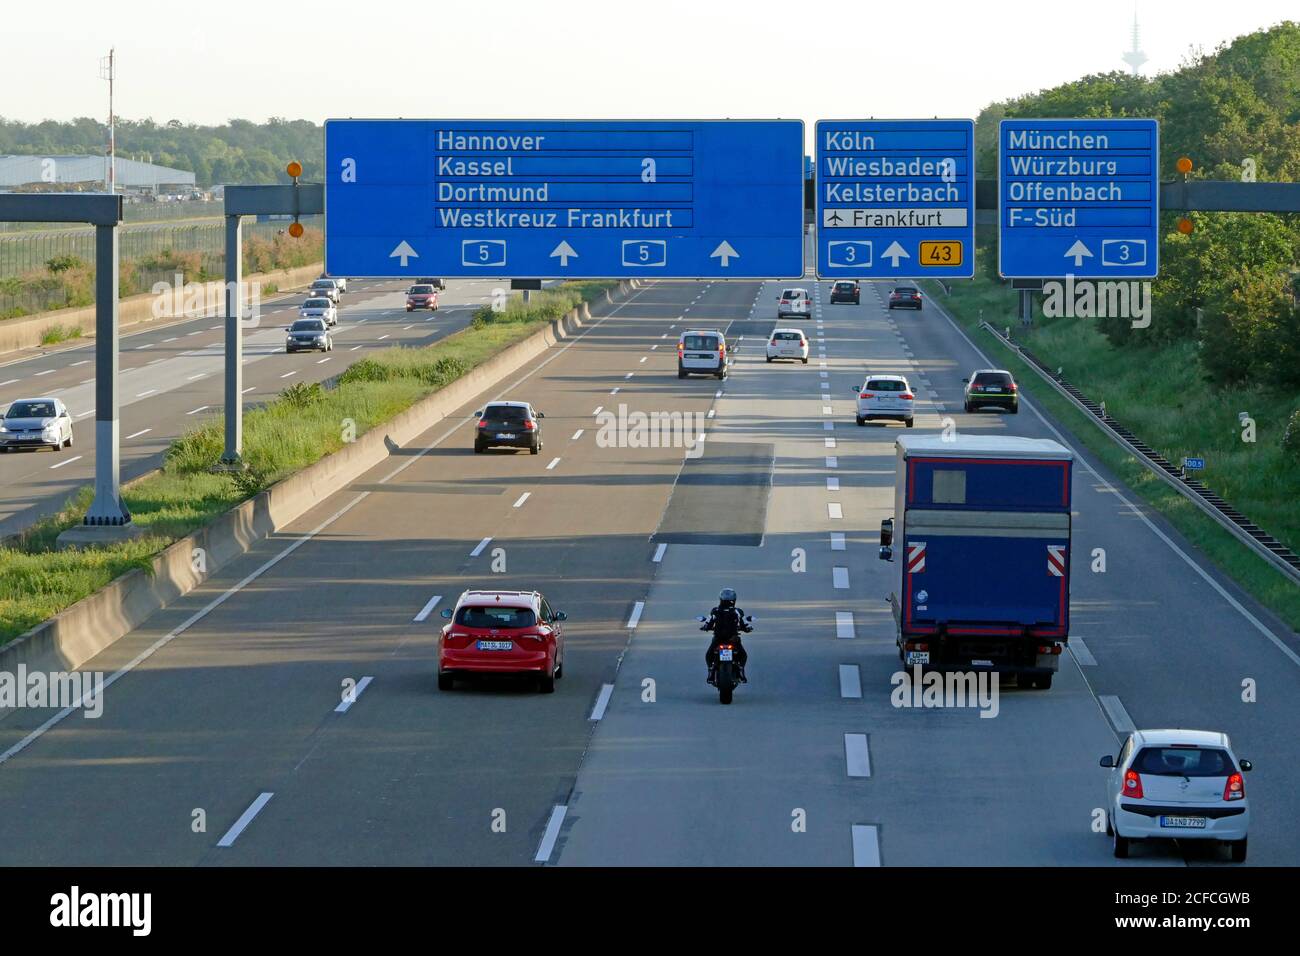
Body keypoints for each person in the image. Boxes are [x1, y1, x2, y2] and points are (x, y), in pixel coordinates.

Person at [702, 588, 751, 684]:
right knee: (743, 655)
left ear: (720, 599)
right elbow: (744, 623)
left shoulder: (715, 610)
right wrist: (747, 628)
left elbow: (709, 622)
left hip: (718, 638)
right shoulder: (738, 611)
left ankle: (711, 672)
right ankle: (741, 671)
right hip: (733, 639)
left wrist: (705, 627)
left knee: (709, 654)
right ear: (734, 600)